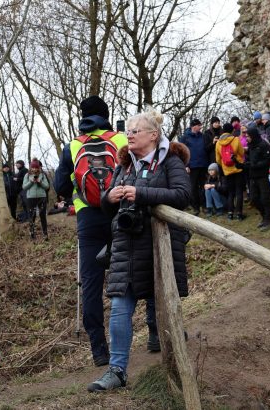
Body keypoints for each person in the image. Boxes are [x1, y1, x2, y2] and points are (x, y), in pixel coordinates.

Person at [89, 108, 191, 392]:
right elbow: (106, 204)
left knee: (163, 306)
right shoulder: (125, 165)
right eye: (128, 130)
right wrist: (110, 196)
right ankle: (117, 371)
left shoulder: (170, 161)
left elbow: (183, 196)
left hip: (159, 246)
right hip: (126, 246)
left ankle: (174, 368)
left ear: (153, 135)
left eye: (136, 130)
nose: (129, 135)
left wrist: (141, 194)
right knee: (120, 308)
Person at [54, 95, 129, 366]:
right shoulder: (121, 140)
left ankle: (99, 349)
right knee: (134, 272)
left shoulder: (73, 145)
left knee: (91, 283)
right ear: (106, 115)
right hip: (121, 213)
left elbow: (60, 187)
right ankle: (154, 332)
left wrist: (79, 189)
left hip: (88, 219)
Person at [215, 122, 245, 220]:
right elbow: (242, 152)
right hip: (238, 169)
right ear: (232, 130)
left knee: (231, 192)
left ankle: (230, 213)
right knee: (239, 191)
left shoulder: (218, 143)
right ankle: (239, 214)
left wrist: (224, 166)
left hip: (227, 171)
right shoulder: (235, 139)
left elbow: (218, 159)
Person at [179, 118, 208, 216]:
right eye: (199, 125)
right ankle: (195, 207)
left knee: (203, 186)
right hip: (192, 166)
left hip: (203, 165)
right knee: (193, 187)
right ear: (194, 126)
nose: (200, 127)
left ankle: (204, 206)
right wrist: (186, 165)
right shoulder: (185, 137)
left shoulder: (202, 136)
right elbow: (182, 152)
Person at [246, 126, 270, 229]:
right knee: (254, 199)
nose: (246, 138)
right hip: (252, 177)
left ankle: (268, 220)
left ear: (253, 135)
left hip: (263, 176)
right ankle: (263, 217)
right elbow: (251, 160)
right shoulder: (251, 146)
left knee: (265, 198)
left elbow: (268, 160)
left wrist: (255, 165)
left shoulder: (264, 145)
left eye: (248, 136)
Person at [23, 159, 50, 240]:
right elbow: (24, 187)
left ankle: (45, 234)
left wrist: (40, 182)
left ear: (38, 168)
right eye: (33, 167)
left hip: (42, 197)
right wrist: (31, 182)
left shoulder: (43, 175)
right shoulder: (27, 175)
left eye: (36, 167)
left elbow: (47, 186)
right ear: (30, 168)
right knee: (32, 216)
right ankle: (32, 235)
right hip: (30, 198)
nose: (34, 169)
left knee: (42, 216)